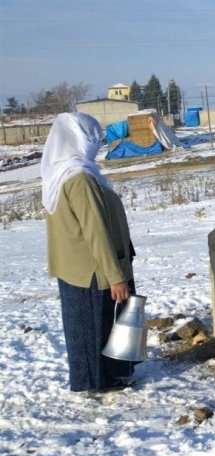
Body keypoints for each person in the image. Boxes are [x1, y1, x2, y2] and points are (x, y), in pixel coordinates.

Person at [42, 112, 138, 393]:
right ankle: (98, 382)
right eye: (93, 137)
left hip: (78, 269)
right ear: (78, 139)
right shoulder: (80, 179)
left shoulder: (62, 173)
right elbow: (96, 232)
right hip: (94, 270)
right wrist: (115, 276)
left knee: (86, 327)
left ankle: (98, 377)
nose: (98, 143)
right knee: (95, 327)